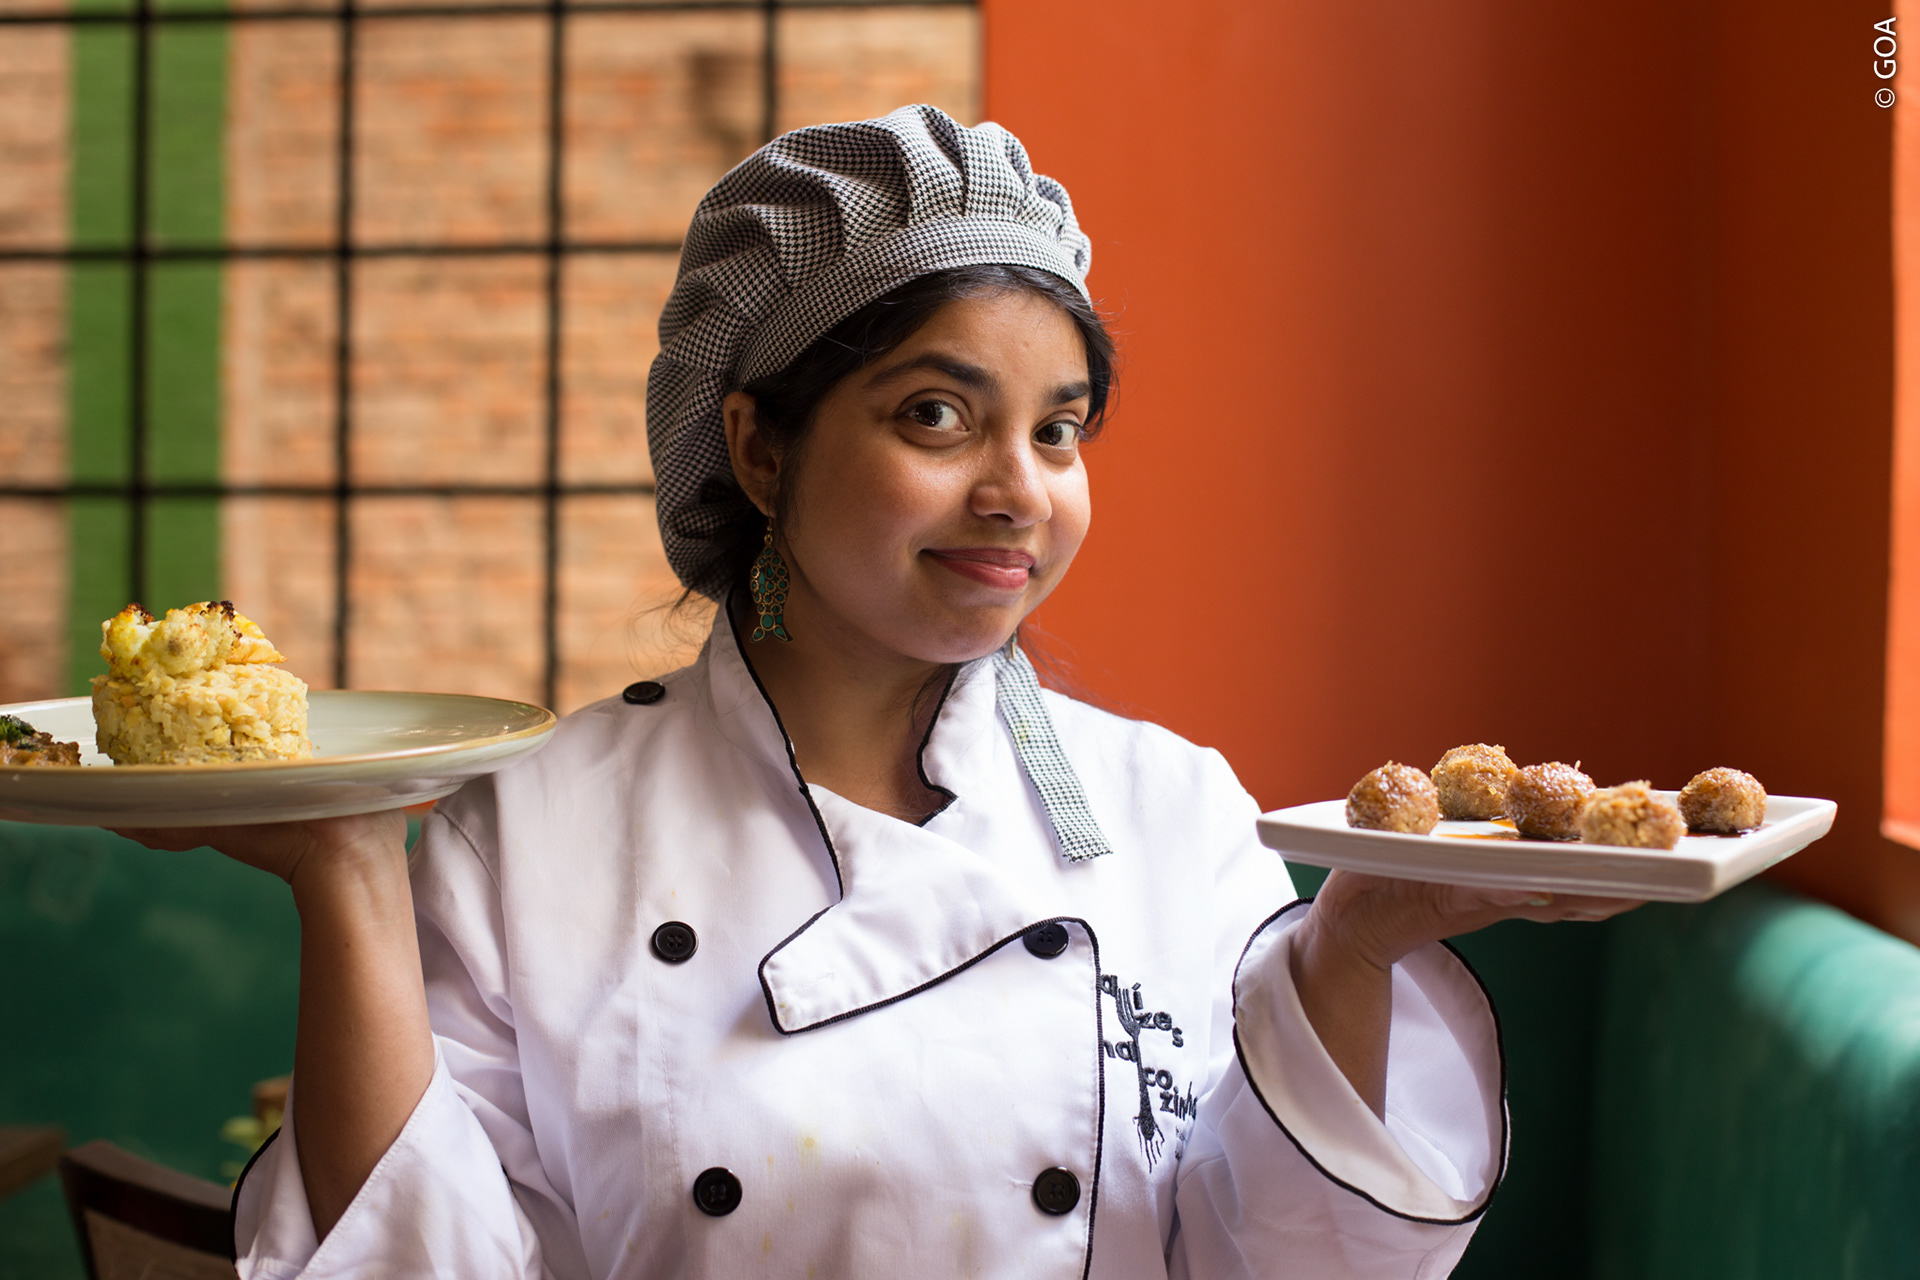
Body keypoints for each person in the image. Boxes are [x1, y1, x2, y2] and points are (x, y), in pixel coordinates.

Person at [133, 105, 1637, 1278]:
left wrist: (1354, 943)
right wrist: (347, 868)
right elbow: (422, 1265)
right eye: (937, 415)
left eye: (1059, 431)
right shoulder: (534, 829)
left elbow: (1298, 1265)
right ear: (760, 447)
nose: (1019, 492)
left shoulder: (1173, 812)